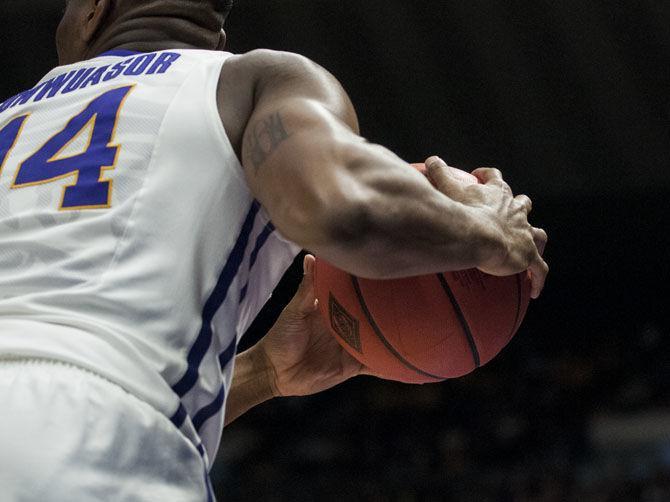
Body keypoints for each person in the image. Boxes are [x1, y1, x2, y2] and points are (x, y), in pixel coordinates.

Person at [0, 0, 548, 500]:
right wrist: (487, 229)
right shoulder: (247, 81)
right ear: (215, 41)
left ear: (95, 9)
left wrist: (264, 371)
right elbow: (341, 209)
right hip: (91, 445)